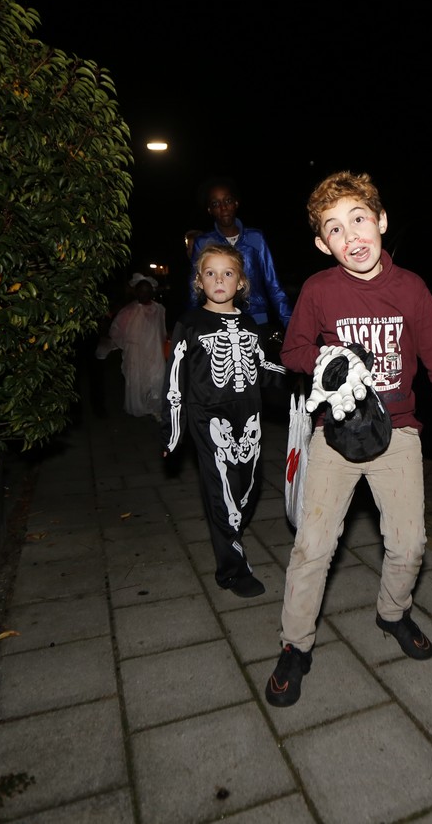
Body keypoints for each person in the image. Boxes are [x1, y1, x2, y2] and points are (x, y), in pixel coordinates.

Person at [265, 171, 432, 707]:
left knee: (409, 544)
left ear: (381, 221)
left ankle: (393, 613)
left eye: (358, 219)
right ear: (323, 244)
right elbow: (292, 352)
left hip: (398, 430)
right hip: (335, 433)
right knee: (313, 545)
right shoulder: (319, 290)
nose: (351, 236)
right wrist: (329, 359)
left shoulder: (410, 289)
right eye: (335, 229)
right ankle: (295, 645)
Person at [162, 243, 288, 597]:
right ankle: (232, 570)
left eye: (228, 273)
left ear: (241, 282)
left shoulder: (249, 324)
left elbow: (264, 368)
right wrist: (172, 432)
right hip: (208, 418)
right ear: (199, 281)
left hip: (249, 416)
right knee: (222, 493)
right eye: (211, 273)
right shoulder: (189, 323)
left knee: (247, 488)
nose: (219, 280)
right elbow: (174, 380)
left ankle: (231, 535)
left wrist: (304, 373)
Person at [186, 176, 294, 337]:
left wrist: (292, 327)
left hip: (257, 321)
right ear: (210, 210)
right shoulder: (203, 243)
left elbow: (273, 285)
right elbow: (194, 287)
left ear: (236, 203)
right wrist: (190, 327)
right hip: (217, 322)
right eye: (215, 204)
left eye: (228, 201)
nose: (223, 207)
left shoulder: (256, 238)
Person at [109, 273, 166, 419]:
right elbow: (116, 330)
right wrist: (127, 343)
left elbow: (162, 330)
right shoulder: (129, 310)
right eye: (141, 291)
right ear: (136, 292)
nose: (144, 294)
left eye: (147, 291)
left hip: (154, 351)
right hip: (136, 352)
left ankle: (154, 407)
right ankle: (140, 406)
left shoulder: (159, 309)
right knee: (138, 379)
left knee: (156, 378)